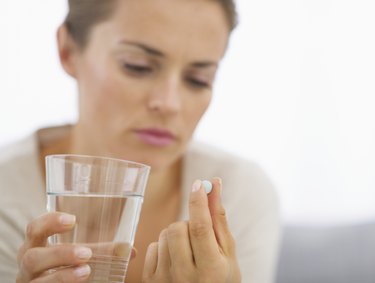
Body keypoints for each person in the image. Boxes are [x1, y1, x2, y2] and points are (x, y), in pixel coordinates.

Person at [0, 0, 280, 282]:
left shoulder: (239, 194)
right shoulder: (6, 195)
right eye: (138, 66)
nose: (170, 103)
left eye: (198, 79)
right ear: (68, 51)